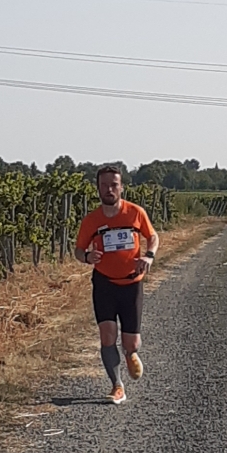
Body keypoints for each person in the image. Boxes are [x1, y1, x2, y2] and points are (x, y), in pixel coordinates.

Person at [74, 165, 158, 405]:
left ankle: (130, 353)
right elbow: (78, 250)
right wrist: (87, 257)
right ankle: (117, 386)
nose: (109, 189)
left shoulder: (135, 213)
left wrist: (149, 256)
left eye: (113, 185)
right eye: (104, 185)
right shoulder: (91, 220)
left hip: (132, 284)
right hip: (104, 284)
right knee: (107, 335)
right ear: (98, 188)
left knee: (131, 342)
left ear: (121, 187)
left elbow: (152, 237)